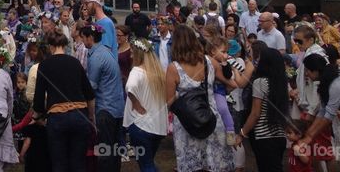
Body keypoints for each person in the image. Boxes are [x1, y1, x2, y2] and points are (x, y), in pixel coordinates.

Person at [165, 24, 234, 172]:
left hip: (188, 124)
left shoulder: (173, 68)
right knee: (212, 164)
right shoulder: (209, 61)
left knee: (194, 166)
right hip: (211, 118)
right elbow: (231, 83)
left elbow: (169, 102)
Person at [30, 29, 95, 172]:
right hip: (80, 115)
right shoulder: (75, 63)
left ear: (50, 46)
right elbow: (90, 94)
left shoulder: (44, 65)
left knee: (59, 163)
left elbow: (39, 99)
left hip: (57, 117)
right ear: (65, 45)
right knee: (78, 162)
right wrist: (91, 116)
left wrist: (36, 117)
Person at [83, 23, 126, 172]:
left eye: (83, 38)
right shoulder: (106, 51)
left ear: (90, 38)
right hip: (117, 107)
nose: (82, 42)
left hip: (106, 109)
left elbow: (91, 88)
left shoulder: (96, 57)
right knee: (114, 150)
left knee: (105, 151)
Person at [123, 37, 168, 172]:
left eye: (132, 52)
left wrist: (136, 103)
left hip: (141, 125)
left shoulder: (137, 71)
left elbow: (129, 87)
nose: (130, 55)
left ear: (138, 53)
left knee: (146, 165)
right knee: (149, 163)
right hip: (158, 127)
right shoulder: (159, 73)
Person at [241, 46, 288, 170]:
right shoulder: (282, 82)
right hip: (280, 135)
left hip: (263, 136)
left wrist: (242, 132)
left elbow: (255, 113)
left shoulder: (260, 82)